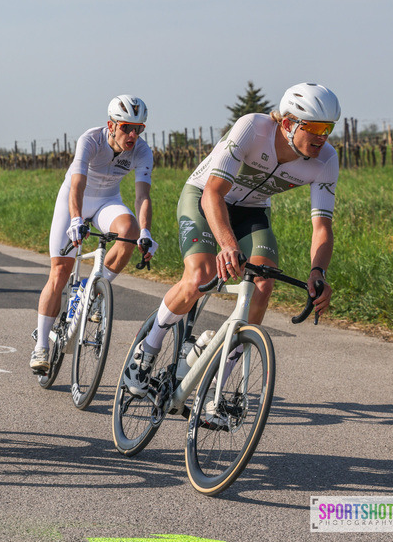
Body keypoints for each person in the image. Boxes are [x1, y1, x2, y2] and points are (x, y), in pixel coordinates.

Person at [122, 83, 339, 425]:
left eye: (328, 128)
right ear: (287, 123)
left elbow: (322, 227)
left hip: (252, 211)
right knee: (200, 275)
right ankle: (146, 350)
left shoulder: (326, 160)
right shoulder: (252, 127)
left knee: (263, 283)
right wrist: (226, 245)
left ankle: (214, 394)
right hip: (204, 196)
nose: (321, 137)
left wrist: (318, 272)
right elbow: (213, 192)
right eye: (314, 127)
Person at [30, 95, 156, 373]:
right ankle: (41, 345)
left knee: (130, 231)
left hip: (107, 201)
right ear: (111, 125)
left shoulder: (142, 151)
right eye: (126, 127)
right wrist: (76, 219)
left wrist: (145, 231)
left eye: (138, 129)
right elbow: (77, 185)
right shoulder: (91, 140)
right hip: (75, 198)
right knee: (60, 272)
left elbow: (142, 196)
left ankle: (92, 288)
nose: (132, 135)